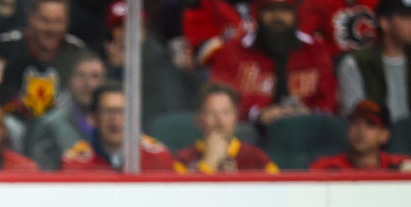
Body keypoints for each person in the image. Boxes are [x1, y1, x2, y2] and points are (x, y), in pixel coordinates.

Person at [205, 0, 338, 126]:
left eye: (285, 10)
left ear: (296, 14)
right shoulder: (233, 50)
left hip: (306, 131)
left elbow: (330, 100)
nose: (278, 17)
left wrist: (311, 114)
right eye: (269, 9)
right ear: (257, 14)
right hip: (252, 133)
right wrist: (256, 114)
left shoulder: (315, 50)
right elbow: (217, 99)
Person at [0, 0, 89, 121]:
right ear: (30, 18)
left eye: (58, 22)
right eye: (45, 20)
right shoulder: (5, 47)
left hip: (60, 130)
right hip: (10, 127)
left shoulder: (77, 52)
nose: (52, 29)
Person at [102, 1, 191, 126]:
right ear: (111, 34)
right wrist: (117, 70)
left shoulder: (163, 59)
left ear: (143, 29)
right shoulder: (108, 65)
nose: (127, 33)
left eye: (132, 26)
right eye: (119, 27)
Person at [61, 82, 183, 171]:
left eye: (122, 111)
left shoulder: (158, 157)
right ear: (94, 118)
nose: (116, 119)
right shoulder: (77, 162)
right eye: (108, 111)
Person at [25, 50, 106, 169]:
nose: (88, 83)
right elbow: (42, 175)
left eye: (95, 76)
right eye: (80, 75)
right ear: (70, 81)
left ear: (104, 82)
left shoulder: (117, 122)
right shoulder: (48, 125)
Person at [176, 82, 279, 173]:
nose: (220, 121)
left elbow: (280, 191)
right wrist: (209, 163)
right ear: (198, 119)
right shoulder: (182, 160)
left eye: (226, 113)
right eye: (211, 113)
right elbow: (181, 194)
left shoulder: (258, 158)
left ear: (236, 117)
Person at [338, 0, 411, 121]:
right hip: (376, 136)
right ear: (385, 23)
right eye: (406, 17)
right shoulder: (356, 63)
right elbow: (354, 120)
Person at [310, 99, 411, 168]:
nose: (361, 131)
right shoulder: (328, 168)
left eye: (370, 125)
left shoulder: (400, 166)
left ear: (384, 135)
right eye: (355, 123)